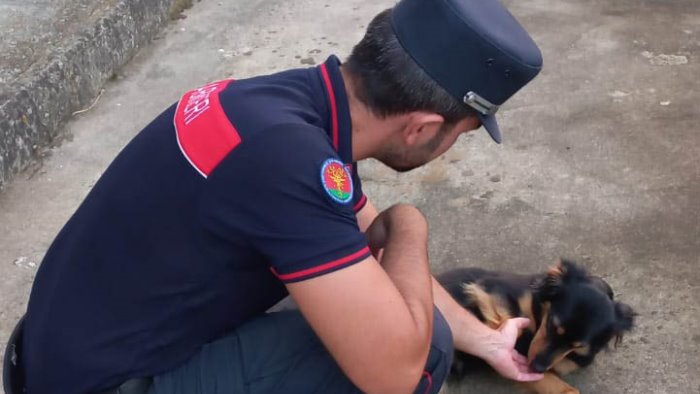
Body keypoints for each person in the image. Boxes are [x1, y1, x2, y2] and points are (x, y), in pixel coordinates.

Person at [18, 0, 544, 393]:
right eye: (460, 133)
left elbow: (363, 238)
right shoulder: (291, 163)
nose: (449, 147)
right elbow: (395, 372)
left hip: (55, 356)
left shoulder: (285, 104)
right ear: (421, 127)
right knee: (423, 351)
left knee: (359, 290)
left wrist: (486, 338)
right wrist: (410, 223)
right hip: (103, 384)